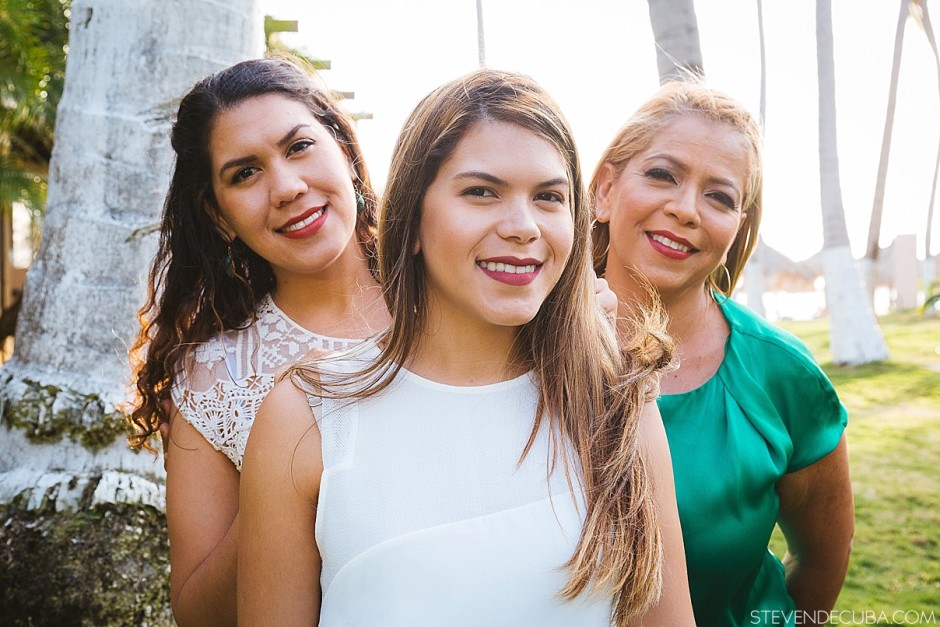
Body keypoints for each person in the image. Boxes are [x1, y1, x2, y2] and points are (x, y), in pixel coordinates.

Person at [238, 68, 695, 626]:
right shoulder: (305, 415)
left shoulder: (616, 400)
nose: (524, 226)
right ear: (410, 223)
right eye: (481, 192)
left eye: (549, 197)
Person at [125, 56, 389, 627]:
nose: (287, 188)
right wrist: (278, 481)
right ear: (218, 216)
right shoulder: (215, 378)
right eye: (244, 173)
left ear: (343, 147)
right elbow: (199, 614)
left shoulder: (455, 298)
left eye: (298, 147)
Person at [590, 80, 854, 626]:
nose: (686, 209)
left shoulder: (782, 375)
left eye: (720, 196)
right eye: (662, 175)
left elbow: (821, 559)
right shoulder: (514, 346)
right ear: (604, 189)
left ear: (738, 226)